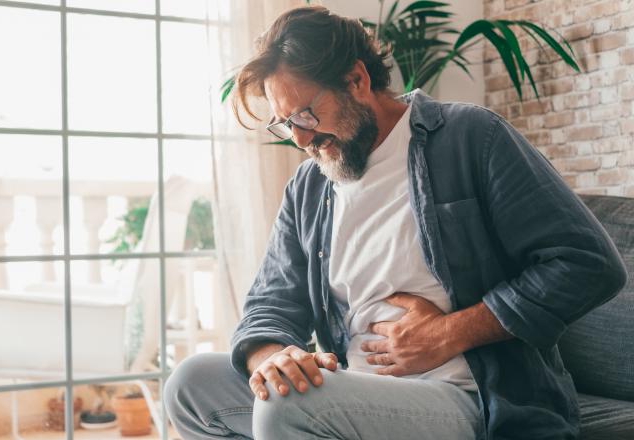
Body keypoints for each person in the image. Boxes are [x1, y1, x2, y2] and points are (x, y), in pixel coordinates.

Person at [164, 6, 627, 440]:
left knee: (289, 408)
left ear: (357, 80)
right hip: (353, 390)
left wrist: (450, 332)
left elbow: (587, 262)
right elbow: (271, 300)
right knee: (191, 384)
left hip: (474, 398)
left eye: (305, 114)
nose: (301, 139)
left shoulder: (470, 138)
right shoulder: (309, 186)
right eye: (285, 124)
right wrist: (272, 357)